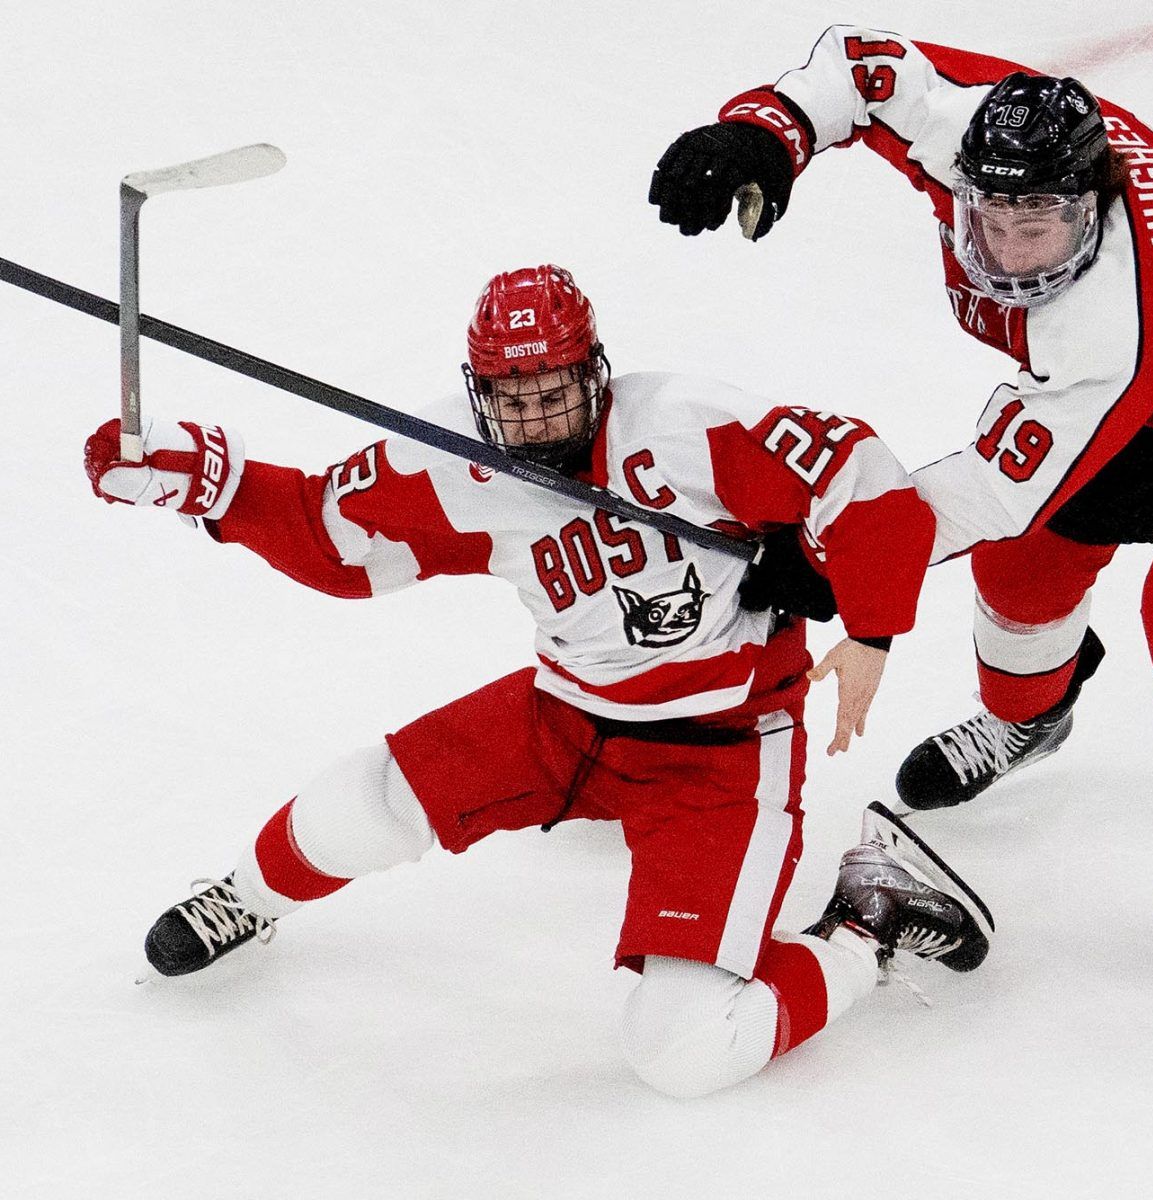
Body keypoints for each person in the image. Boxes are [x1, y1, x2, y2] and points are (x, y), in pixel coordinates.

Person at [84, 263, 991, 1097]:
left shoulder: (685, 423)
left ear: (595, 373)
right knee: (362, 802)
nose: (533, 422)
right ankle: (248, 900)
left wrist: (868, 622)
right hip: (567, 717)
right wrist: (207, 484)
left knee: (682, 1050)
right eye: (510, 400)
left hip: (720, 749)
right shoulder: (456, 456)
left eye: (553, 394)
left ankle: (867, 916)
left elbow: (863, 479)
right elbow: (334, 539)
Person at [647, 25, 1153, 966]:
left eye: (1044, 228)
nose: (1015, 253)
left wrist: (835, 558)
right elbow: (864, 66)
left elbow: (991, 489)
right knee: (1025, 574)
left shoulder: (1119, 315)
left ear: (1094, 208)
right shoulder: (966, 131)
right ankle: (1032, 715)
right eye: (994, 221)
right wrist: (766, 135)